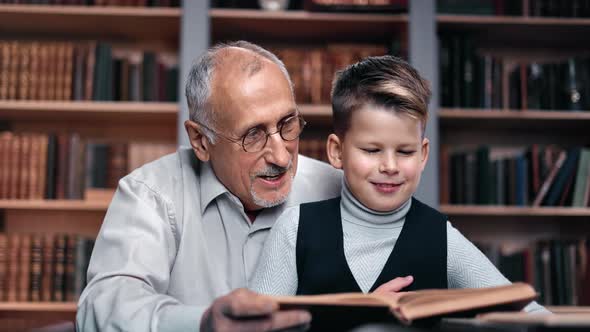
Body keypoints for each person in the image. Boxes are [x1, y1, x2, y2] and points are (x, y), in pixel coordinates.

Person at [76, 41, 350, 332]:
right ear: (201, 141)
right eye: (253, 135)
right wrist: (202, 323)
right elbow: (101, 307)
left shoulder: (337, 190)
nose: (282, 157)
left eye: (288, 124)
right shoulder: (150, 194)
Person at [250, 56, 547, 315]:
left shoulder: (440, 236)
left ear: (423, 155)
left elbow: (527, 313)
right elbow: (256, 328)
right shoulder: (295, 229)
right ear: (337, 152)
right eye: (372, 150)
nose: (390, 166)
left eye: (405, 152)